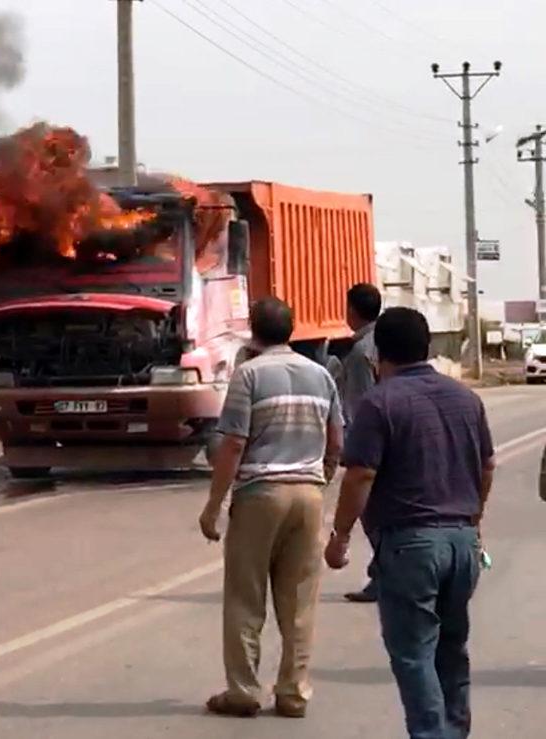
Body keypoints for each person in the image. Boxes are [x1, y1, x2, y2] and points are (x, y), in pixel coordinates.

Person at [325, 307, 495, 739]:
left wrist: (340, 536)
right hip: (462, 542)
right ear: (429, 347)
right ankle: (453, 731)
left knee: (415, 654)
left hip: (411, 546)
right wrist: (473, 519)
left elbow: (361, 474)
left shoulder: (379, 402)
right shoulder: (465, 398)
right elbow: (487, 465)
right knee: (452, 649)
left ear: (377, 352)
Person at [199, 296, 344, 719]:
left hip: (260, 493)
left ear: (253, 331)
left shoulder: (248, 375)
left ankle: (244, 690)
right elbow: (336, 441)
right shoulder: (321, 376)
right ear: (292, 329)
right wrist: (321, 479)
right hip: (309, 494)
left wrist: (213, 506)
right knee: (299, 601)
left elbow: (233, 444)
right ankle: (293, 692)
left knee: (246, 597)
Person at [338, 283, 382, 603]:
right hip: (397, 437)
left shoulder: (359, 352)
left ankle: (383, 575)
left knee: (371, 511)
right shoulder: (386, 340)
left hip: (373, 444)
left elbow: (361, 404)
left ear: (352, 310)